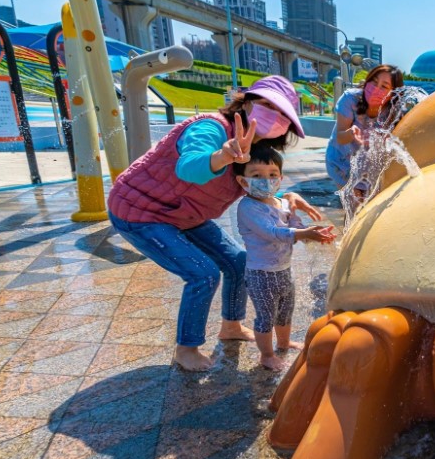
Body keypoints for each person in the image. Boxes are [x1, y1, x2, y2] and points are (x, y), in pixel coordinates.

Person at [108, 75, 323, 372]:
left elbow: (255, 182)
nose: (275, 117)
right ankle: (187, 348)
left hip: (185, 215)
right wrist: (223, 154)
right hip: (142, 211)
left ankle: (231, 326)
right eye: (266, 105)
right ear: (245, 102)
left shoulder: (257, 149)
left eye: (283, 114)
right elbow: (189, 169)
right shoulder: (210, 128)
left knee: (238, 262)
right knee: (203, 273)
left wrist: (288, 195)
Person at [234, 144, 336, 371]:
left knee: (285, 310)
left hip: (283, 270)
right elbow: (273, 233)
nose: (266, 180)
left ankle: (284, 342)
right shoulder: (248, 208)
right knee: (265, 317)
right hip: (261, 274)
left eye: (272, 175)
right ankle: (267, 355)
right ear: (243, 181)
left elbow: (294, 227)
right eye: (257, 175)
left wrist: (314, 234)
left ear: (280, 178)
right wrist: (303, 233)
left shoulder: (280, 203)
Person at [325, 64, 405, 189]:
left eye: (384, 86)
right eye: (374, 82)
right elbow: (340, 137)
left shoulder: (395, 111)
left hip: (370, 170)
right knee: (355, 207)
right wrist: (351, 133)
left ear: (393, 93)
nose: (375, 89)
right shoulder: (350, 99)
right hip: (342, 164)